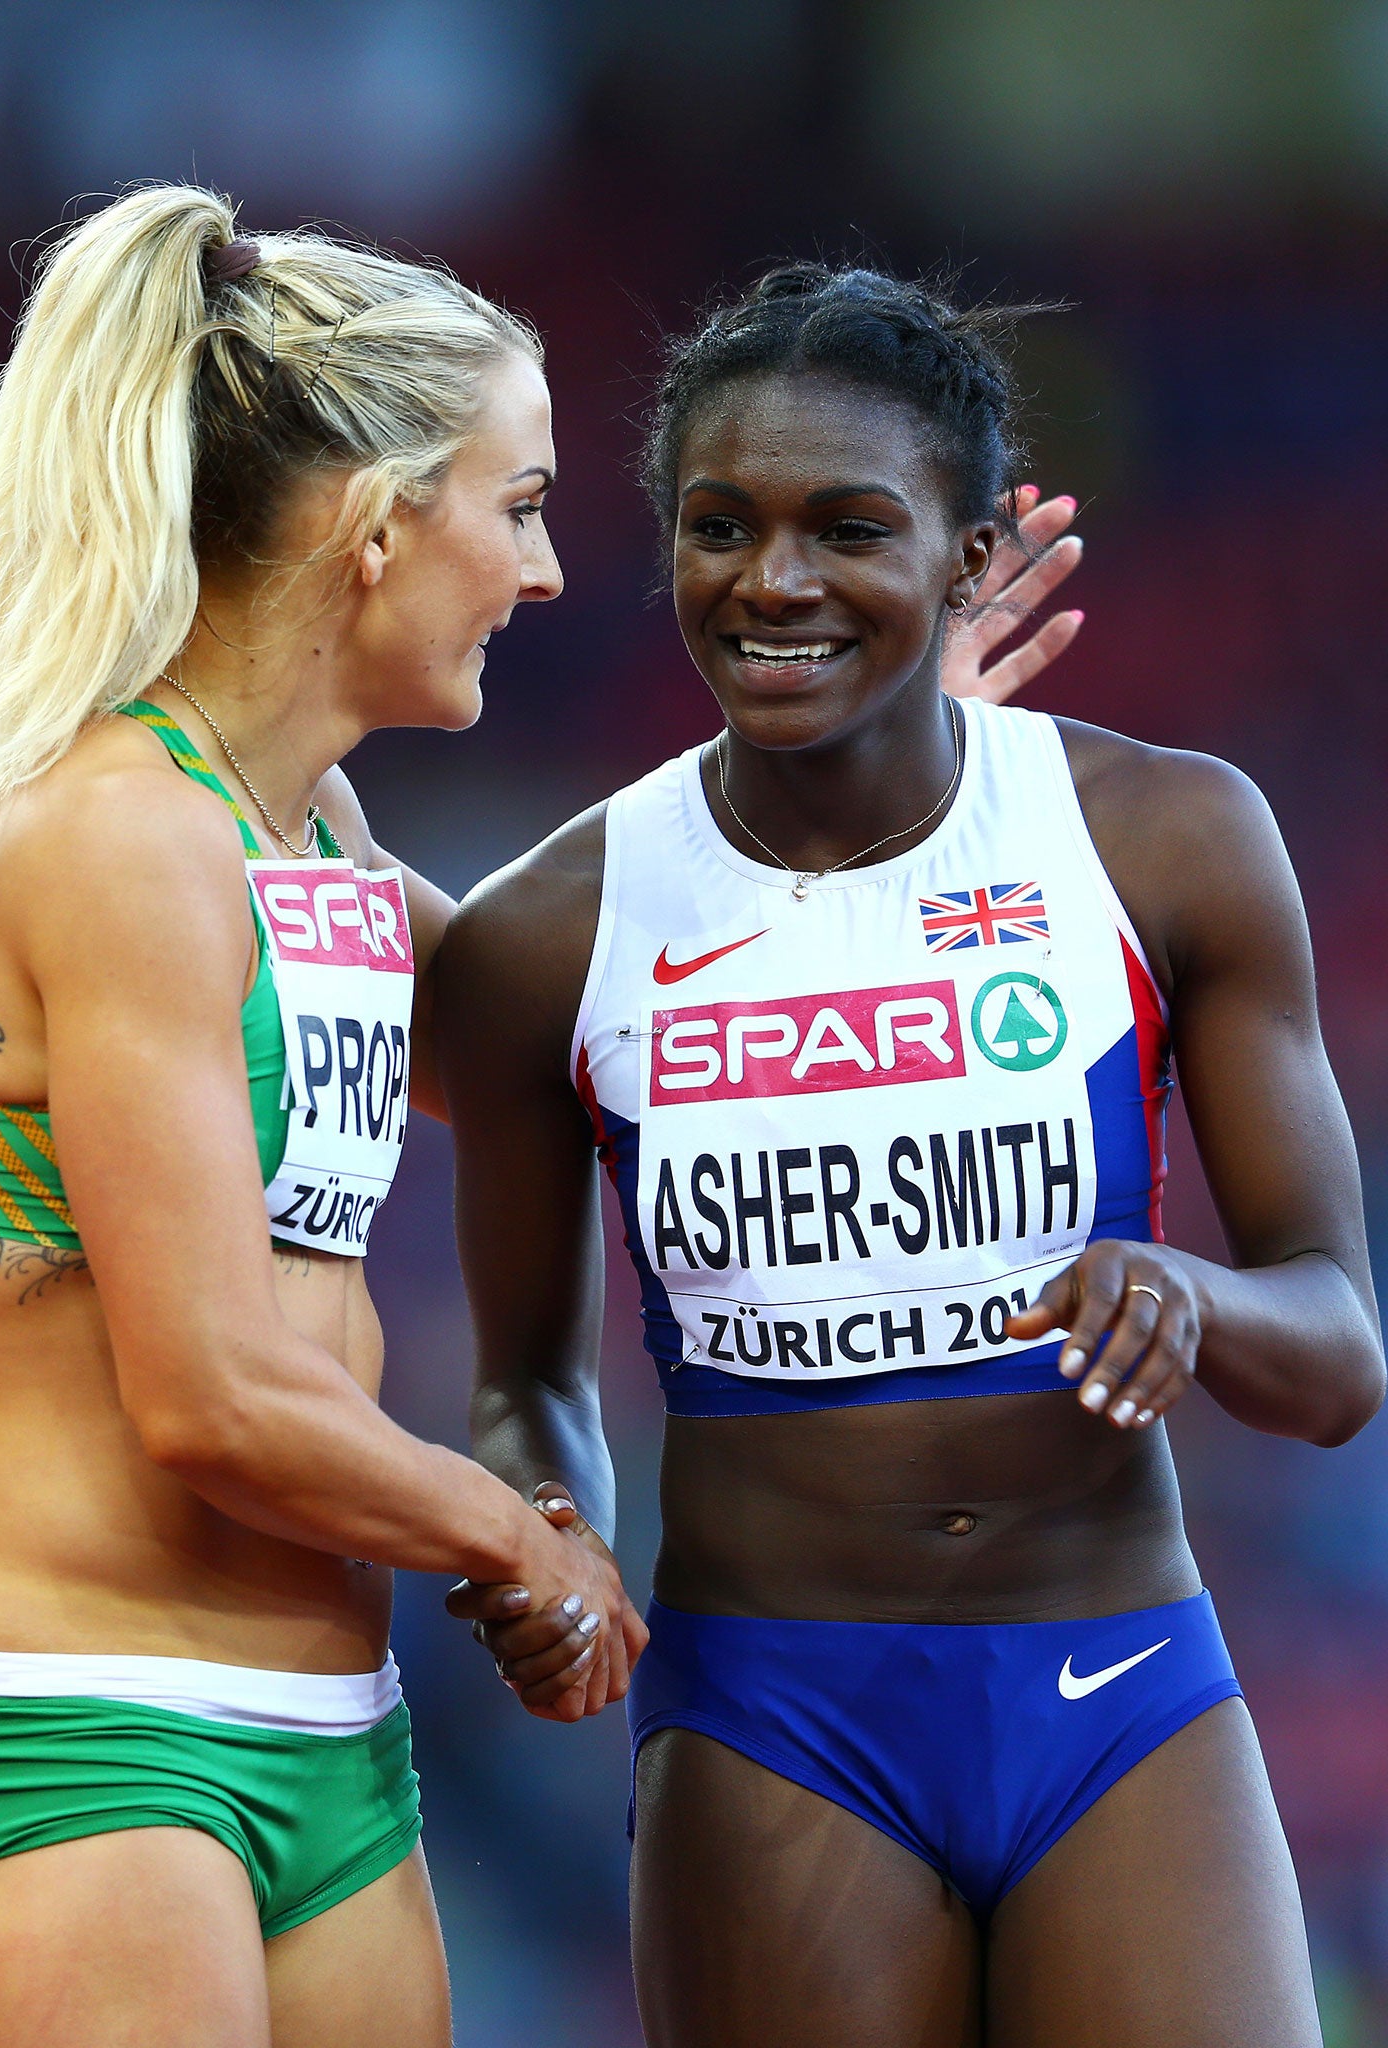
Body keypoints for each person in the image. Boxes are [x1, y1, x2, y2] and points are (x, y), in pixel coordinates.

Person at [436, 264, 1385, 2047]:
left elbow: (1341, 1356)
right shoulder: (554, 928)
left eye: (846, 528)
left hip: (1117, 1685)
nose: (772, 581)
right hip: (770, 1717)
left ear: (966, 562)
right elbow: (530, 1382)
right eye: (721, 526)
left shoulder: (1166, 838)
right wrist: (547, 1530)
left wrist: (1183, 1293)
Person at [0, 182, 647, 2048]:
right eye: (517, 510)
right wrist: (522, 1539)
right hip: (79, 1757)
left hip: (332, 1761)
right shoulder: (127, 836)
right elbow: (210, 1393)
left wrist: (880, 778)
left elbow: (579, 1042)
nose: (541, 574)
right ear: (378, 529)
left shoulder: (311, 836)